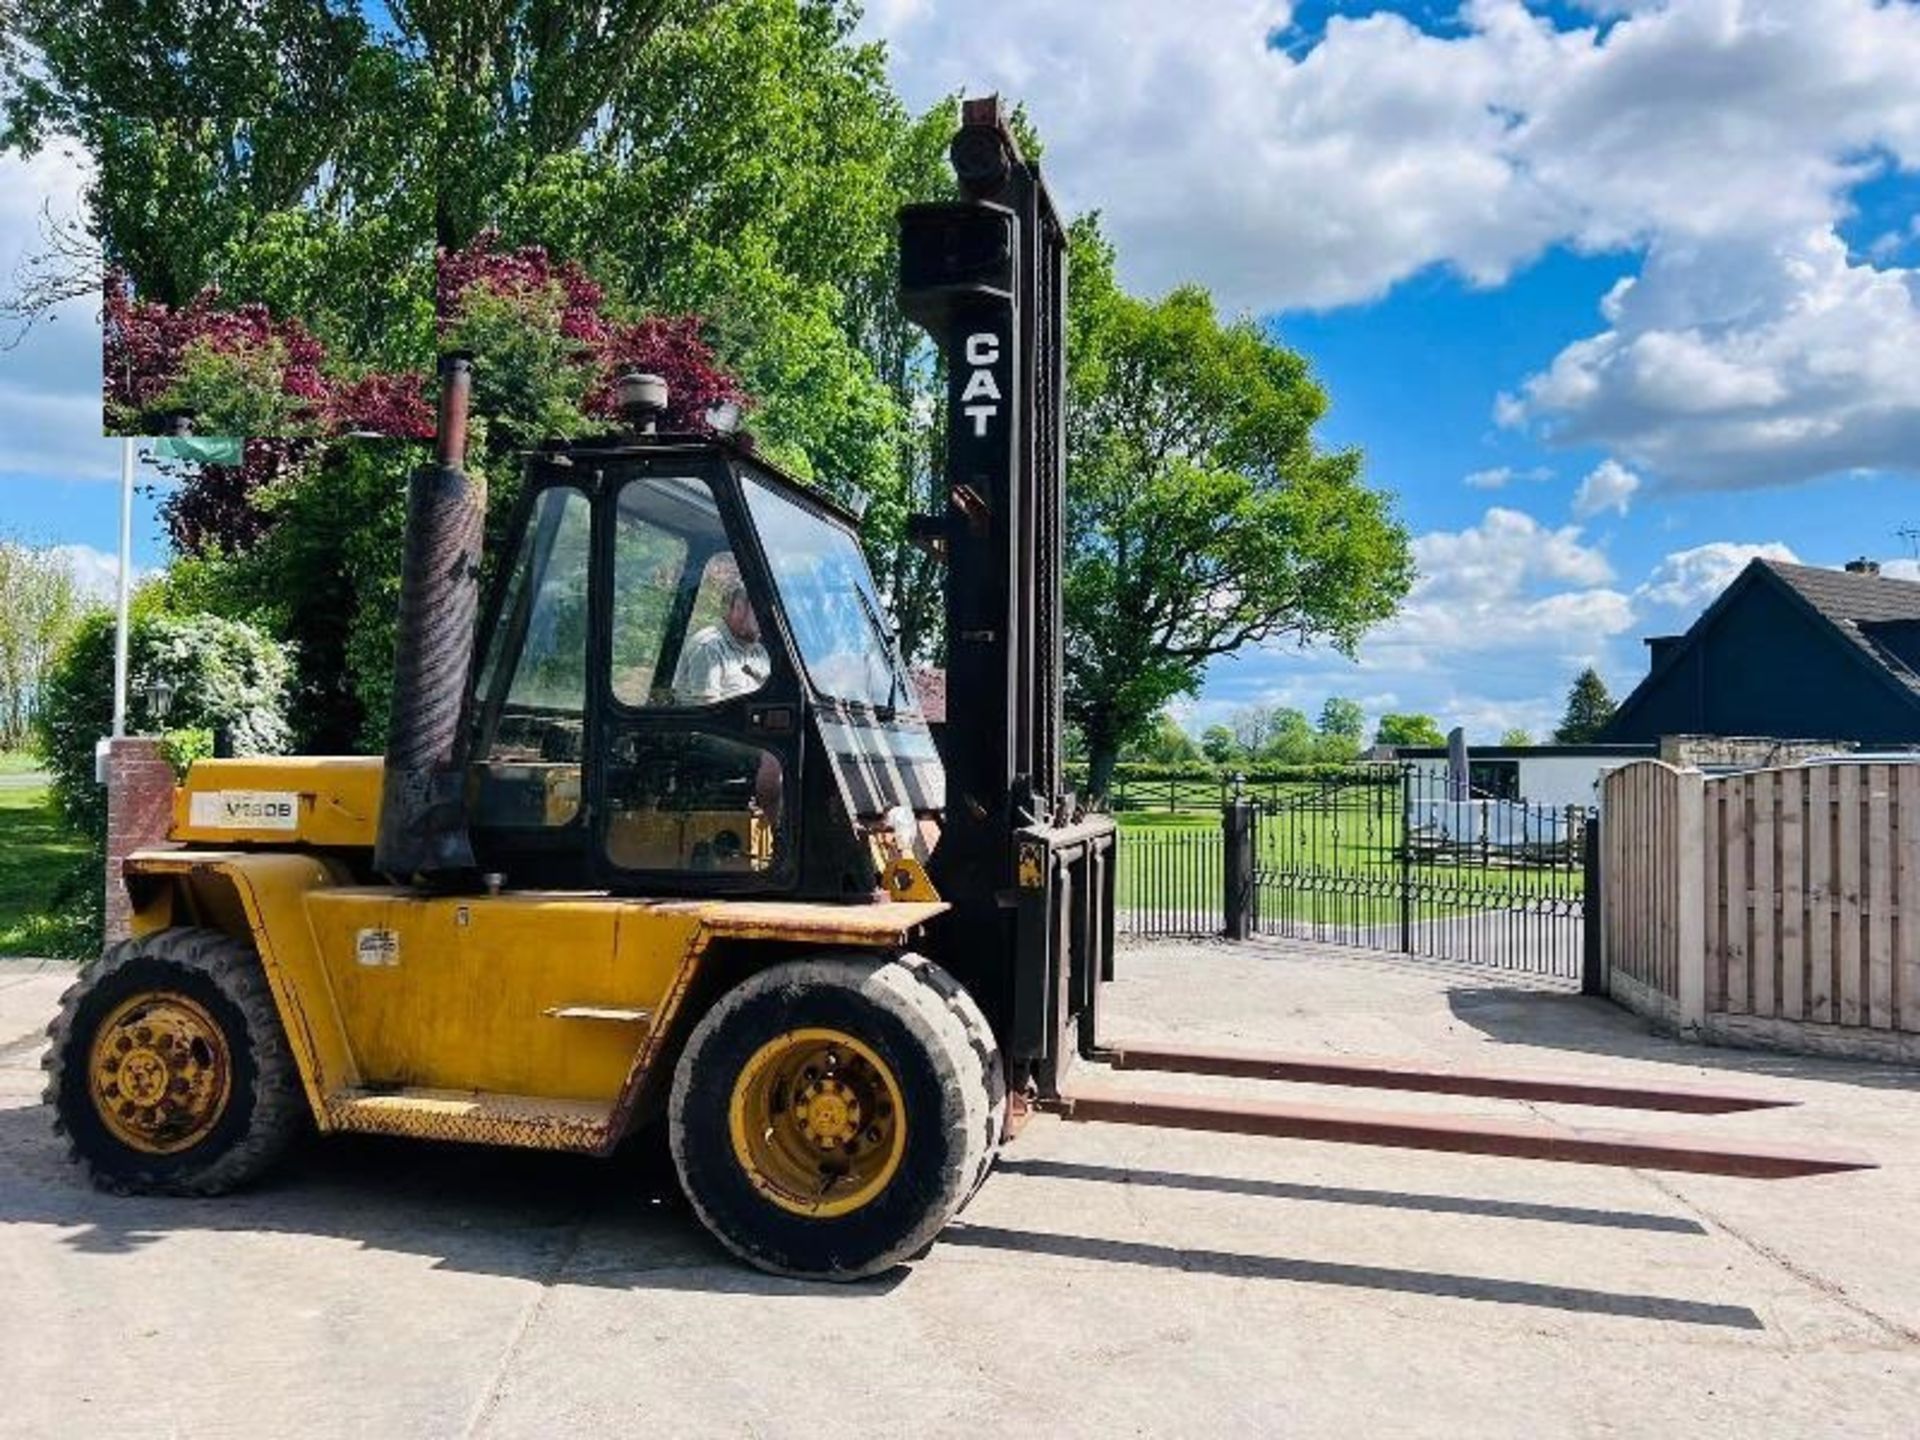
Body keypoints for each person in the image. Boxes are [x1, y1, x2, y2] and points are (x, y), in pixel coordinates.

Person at [673, 578, 769, 704]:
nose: (766, 618)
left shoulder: (760, 651)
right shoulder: (709, 646)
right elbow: (708, 712)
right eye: (759, 611)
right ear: (738, 608)